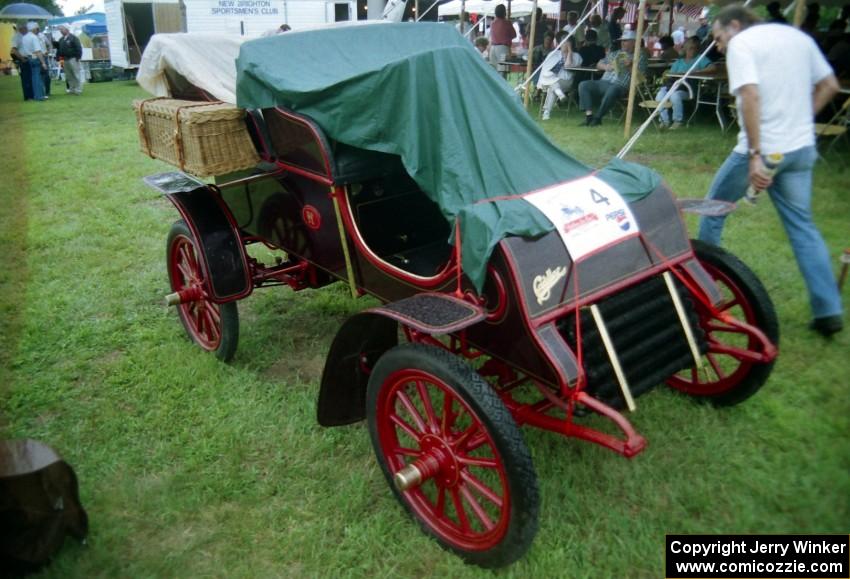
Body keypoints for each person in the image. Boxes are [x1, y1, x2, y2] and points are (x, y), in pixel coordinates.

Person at [698, 5, 843, 337]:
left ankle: (704, 292)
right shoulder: (797, 37)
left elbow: (750, 96)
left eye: (719, 38)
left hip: (764, 148)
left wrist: (755, 154)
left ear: (735, 26)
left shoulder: (742, 44)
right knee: (803, 228)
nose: (719, 47)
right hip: (800, 148)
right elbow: (830, 85)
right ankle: (829, 312)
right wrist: (801, 121)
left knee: (712, 209)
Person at [577, 29, 647, 126]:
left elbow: (641, 78)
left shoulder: (641, 56)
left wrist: (630, 66)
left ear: (634, 42)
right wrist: (606, 67)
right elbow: (599, 64)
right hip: (604, 82)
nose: (622, 43)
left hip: (620, 85)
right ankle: (589, 117)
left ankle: (598, 118)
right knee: (583, 84)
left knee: (613, 89)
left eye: (625, 41)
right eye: (622, 41)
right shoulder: (615, 53)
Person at [655, 36, 713, 129]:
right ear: (685, 49)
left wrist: (695, 72)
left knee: (675, 95)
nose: (692, 50)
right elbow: (671, 74)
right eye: (690, 48)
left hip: (689, 88)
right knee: (660, 95)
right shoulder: (679, 62)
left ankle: (678, 121)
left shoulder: (700, 59)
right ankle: (664, 121)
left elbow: (712, 68)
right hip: (674, 86)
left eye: (695, 48)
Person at [538, 36, 582, 120]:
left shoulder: (576, 56)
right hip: (550, 81)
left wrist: (569, 52)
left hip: (566, 81)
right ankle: (559, 95)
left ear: (571, 44)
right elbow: (546, 70)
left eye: (566, 43)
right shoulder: (554, 54)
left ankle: (547, 112)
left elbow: (568, 65)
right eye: (562, 42)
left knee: (553, 86)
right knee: (553, 85)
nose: (563, 45)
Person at [21, 22, 47, 101]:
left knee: (33, 77)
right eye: (37, 29)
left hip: (29, 57)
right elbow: (38, 51)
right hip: (35, 57)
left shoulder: (24, 37)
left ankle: (36, 94)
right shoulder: (34, 37)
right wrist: (43, 62)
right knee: (37, 77)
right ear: (34, 29)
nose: (38, 30)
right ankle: (39, 96)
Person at [56, 25, 83, 95]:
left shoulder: (73, 38)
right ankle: (71, 89)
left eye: (62, 29)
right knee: (69, 76)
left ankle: (78, 89)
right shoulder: (61, 39)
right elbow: (59, 50)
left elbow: (78, 48)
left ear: (67, 30)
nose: (61, 31)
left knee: (76, 74)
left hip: (73, 58)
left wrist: (78, 57)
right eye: (60, 30)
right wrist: (59, 59)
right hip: (64, 59)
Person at [489, 4, 516, 73]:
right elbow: (514, 35)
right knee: (502, 70)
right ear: (504, 12)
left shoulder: (492, 23)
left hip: (493, 48)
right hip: (503, 48)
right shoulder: (507, 23)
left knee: (494, 71)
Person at [10, 23, 33, 101]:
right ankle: (28, 96)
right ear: (21, 28)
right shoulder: (16, 37)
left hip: (29, 58)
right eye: (25, 28)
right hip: (23, 59)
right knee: (26, 79)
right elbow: (14, 50)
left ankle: (32, 95)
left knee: (30, 78)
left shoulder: (26, 36)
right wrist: (22, 59)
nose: (27, 29)